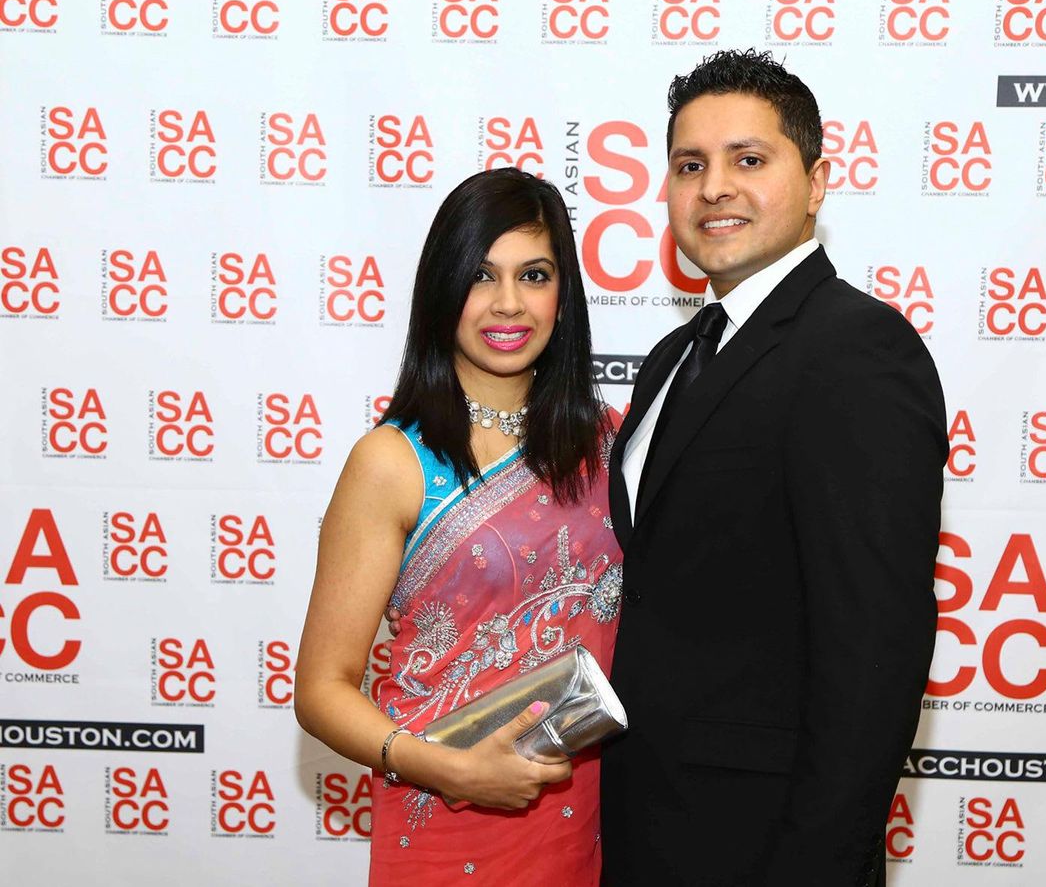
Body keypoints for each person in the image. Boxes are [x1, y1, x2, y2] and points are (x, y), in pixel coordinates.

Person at [600, 50, 947, 886]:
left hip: (771, 847)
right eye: (691, 165)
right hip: (646, 827)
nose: (714, 187)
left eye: (748, 160)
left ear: (818, 180)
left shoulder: (858, 351)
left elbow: (875, 650)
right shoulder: (670, 358)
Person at [294, 167, 621, 886]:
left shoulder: (610, 444)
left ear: (563, 296)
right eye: (481, 275)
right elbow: (322, 688)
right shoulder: (393, 462)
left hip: (587, 819)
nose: (509, 303)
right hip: (442, 812)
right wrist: (453, 769)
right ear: (443, 292)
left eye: (534, 275)